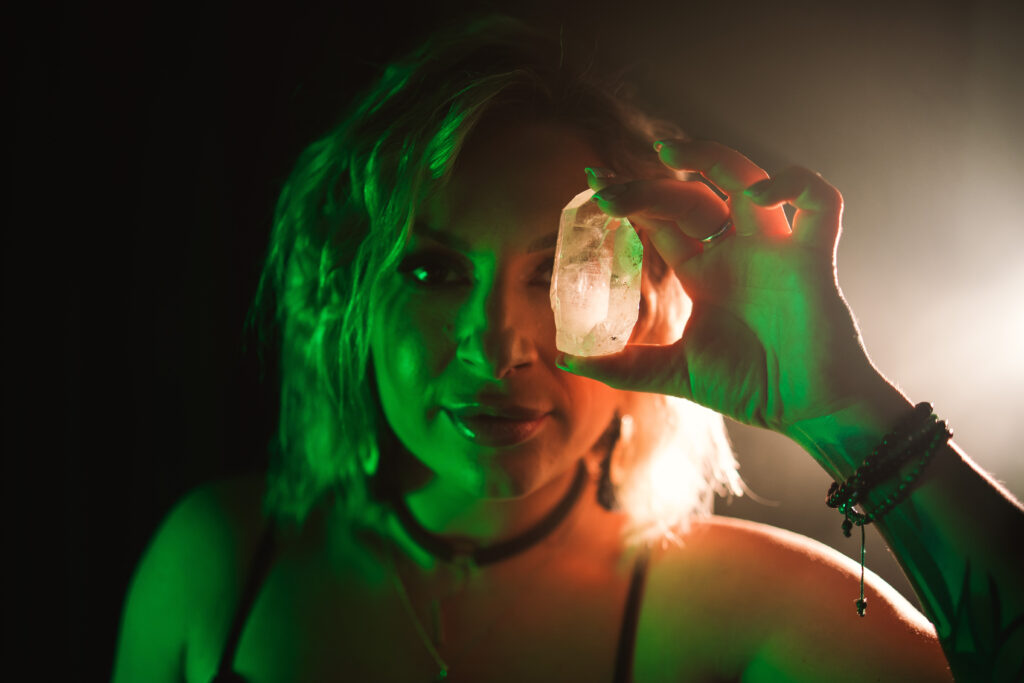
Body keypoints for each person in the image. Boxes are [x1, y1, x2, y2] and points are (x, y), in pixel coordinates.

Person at [112, 16, 1023, 683]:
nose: (497, 346)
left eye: (557, 271)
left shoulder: (741, 609)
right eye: (432, 271)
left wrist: (843, 406)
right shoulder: (218, 564)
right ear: (344, 295)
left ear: (648, 297)